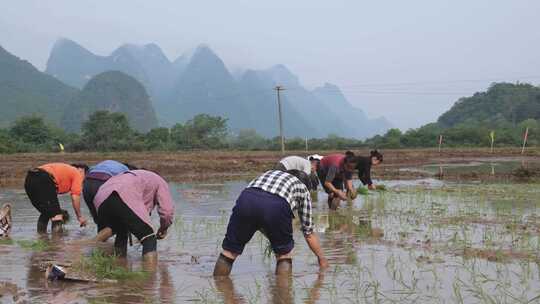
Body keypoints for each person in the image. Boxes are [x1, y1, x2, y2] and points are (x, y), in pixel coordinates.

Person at [213, 169, 328, 276]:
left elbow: (259, 212)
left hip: (246, 198)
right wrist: (322, 259)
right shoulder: (302, 188)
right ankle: (283, 293)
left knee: (229, 252)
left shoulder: (271, 173)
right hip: (277, 204)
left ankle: (219, 290)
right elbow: (308, 232)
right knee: (284, 255)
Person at [92, 170, 174, 262]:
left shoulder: (139, 176)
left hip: (101, 197)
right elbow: (167, 211)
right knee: (149, 239)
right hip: (123, 192)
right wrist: (164, 228)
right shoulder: (160, 181)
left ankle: (120, 265)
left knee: (121, 232)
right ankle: (151, 274)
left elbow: (134, 214)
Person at [24, 163, 89, 233]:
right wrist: (79, 216)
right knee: (57, 216)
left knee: (46, 212)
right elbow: (75, 197)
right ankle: (57, 241)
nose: (84, 181)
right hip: (43, 178)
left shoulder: (64, 170)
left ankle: (41, 237)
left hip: (29, 179)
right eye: (86, 177)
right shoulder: (77, 173)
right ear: (81, 170)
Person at [83, 160, 137, 227]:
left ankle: (101, 234)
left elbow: (88, 173)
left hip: (86, 185)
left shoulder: (106, 163)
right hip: (102, 183)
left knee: (99, 219)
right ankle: (119, 233)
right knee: (116, 218)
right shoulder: (127, 170)